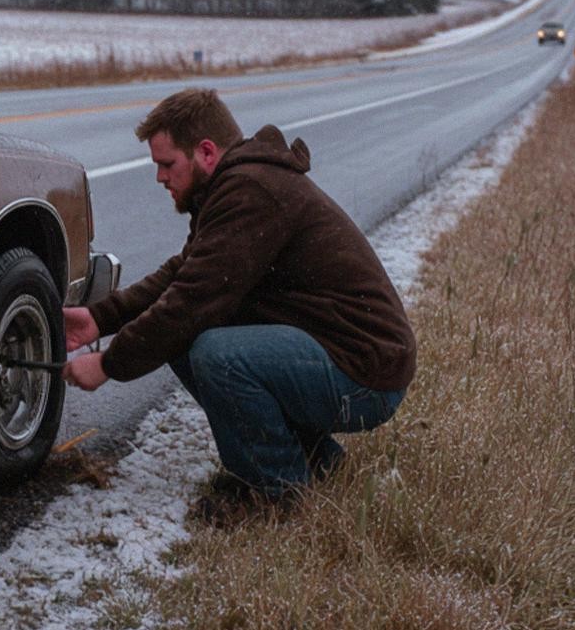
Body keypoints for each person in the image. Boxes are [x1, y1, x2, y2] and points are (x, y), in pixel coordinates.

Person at [62, 88, 416, 512]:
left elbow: (190, 301)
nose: (160, 177)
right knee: (182, 336)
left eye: (167, 164)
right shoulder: (234, 186)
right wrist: (99, 319)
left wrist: (108, 364)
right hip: (338, 356)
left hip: (365, 376)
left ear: (206, 152)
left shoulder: (251, 191)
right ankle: (314, 460)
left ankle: (276, 492)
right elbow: (183, 275)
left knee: (217, 353)